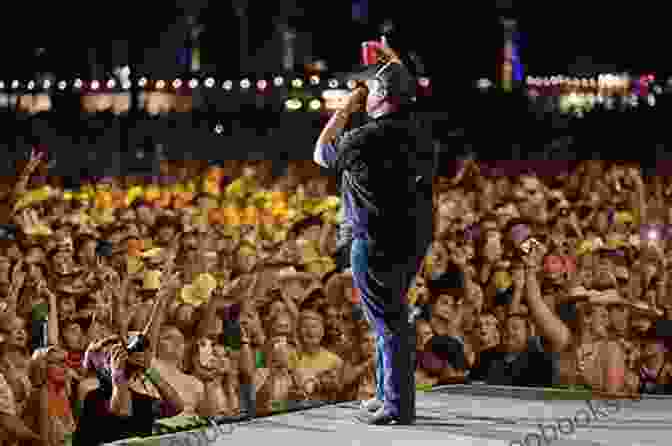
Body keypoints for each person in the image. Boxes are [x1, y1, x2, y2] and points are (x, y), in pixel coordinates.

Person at [313, 38, 433, 425]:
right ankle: (387, 394)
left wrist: (345, 107)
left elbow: (322, 152)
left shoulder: (365, 137)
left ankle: (397, 405)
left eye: (368, 91)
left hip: (374, 240)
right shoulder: (419, 130)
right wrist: (392, 66)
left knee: (389, 322)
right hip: (411, 237)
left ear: (378, 96)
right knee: (389, 317)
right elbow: (401, 93)